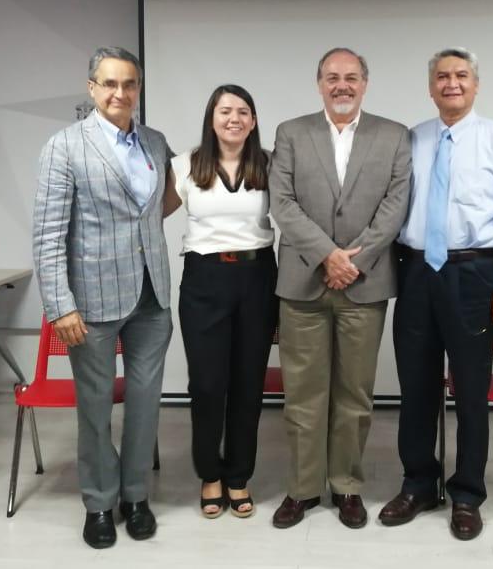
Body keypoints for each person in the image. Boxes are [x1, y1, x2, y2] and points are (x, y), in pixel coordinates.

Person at [379, 47, 493, 541]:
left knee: (470, 392)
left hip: (475, 275)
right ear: (430, 87)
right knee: (416, 389)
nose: (452, 83)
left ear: (475, 84)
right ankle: (418, 483)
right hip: (417, 273)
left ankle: (467, 494)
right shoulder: (411, 139)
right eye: (442, 76)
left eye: (461, 75)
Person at [32, 46, 177, 549]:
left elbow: (161, 203)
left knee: (144, 404)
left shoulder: (156, 143)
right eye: (110, 83)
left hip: (152, 296)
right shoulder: (65, 146)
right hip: (89, 303)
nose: (121, 93)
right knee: (94, 407)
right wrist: (60, 306)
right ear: (92, 88)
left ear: (138, 88)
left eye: (130, 84)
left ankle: (135, 496)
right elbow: (48, 235)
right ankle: (98, 502)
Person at [268, 47, 411, 530]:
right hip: (303, 281)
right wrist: (327, 255)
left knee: (354, 394)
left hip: (364, 284)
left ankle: (347, 486)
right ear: (319, 83)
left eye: (351, 77)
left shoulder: (393, 136)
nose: (342, 85)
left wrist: (356, 259)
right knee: (303, 394)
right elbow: (283, 203)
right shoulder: (291, 132)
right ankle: (304, 489)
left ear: (365, 83)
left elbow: (395, 205)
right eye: (333, 77)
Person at [167, 84, 278, 519]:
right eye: (225, 110)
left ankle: (238, 477)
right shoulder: (184, 166)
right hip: (205, 280)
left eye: (244, 111)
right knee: (208, 384)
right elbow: (151, 214)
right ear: (211, 118)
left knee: (249, 384)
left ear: (253, 120)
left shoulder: (270, 165)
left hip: (257, 278)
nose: (234, 118)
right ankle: (209, 474)